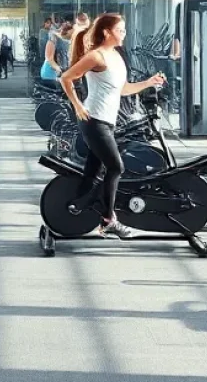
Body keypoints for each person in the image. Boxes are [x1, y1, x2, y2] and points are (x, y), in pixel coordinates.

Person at [61, 13, 165, 239]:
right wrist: (78, 106)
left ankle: (77, 208)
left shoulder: (115, 56)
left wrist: (149, 83)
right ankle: (108, 220)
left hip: (107, 121)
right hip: (93, 120)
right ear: (107, 32)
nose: (124, 34)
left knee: (93, 172)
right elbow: (66, 78)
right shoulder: (96, 56)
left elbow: (123, 89)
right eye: (120, 30)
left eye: (124, 30)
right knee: (116, 167)